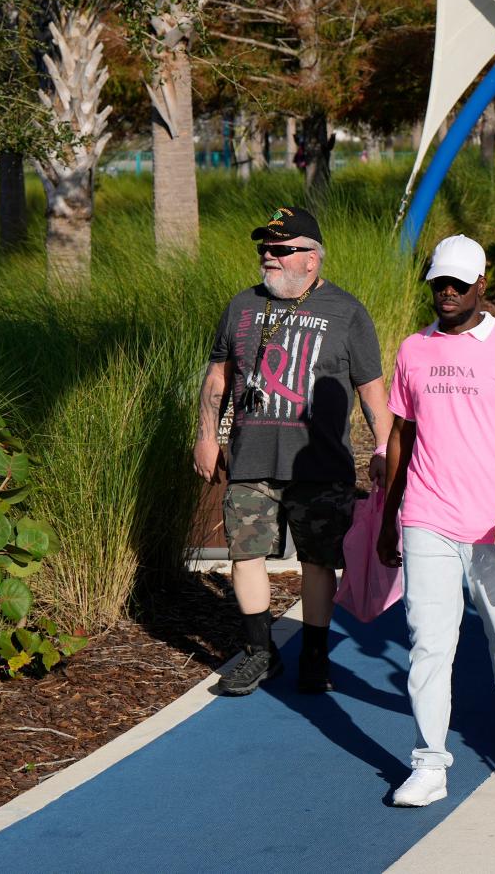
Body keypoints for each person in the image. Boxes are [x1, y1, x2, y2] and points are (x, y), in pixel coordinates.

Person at [377, 235, 495, 807]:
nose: (446, 292)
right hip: (427, 514)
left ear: (481, 284)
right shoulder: (412, 350)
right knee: (429, 642)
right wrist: (389, 517)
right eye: (438, 283)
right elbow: (402, 434)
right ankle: (429, 763)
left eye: (457, 283)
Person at [194, 206, 390, 697]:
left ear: (312, 259)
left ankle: (315, 654)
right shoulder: (241, 306)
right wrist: (206, 436)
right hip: (252, 456)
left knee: (319, 561)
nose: (269, 257)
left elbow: (372, 390)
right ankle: (261, 653)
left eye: (281, 249)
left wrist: (388, 449)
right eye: (265, 248)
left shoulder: (348, 312)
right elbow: (218, 375)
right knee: (245, 553)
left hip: (320, 463)